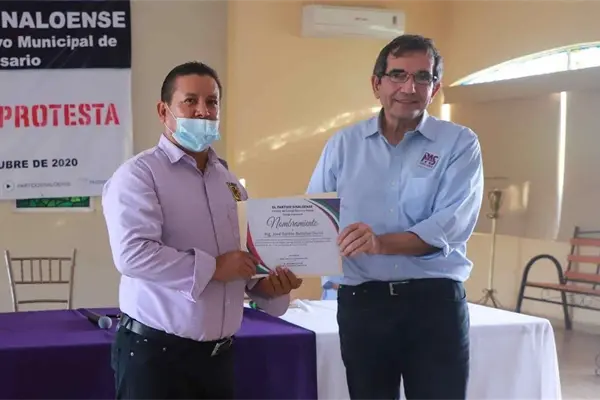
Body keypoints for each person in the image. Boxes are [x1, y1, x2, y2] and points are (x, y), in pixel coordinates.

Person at [102, 61, 302, 400]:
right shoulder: (139, 175)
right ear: (163, 111)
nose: (203, 111)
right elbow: (133, 255)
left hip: (217, 359)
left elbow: (244, 262)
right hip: (157, 360)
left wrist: (268, 286)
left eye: (212, 102)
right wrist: (214, 267)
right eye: (190, 101)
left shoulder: (229, 181)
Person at [307, 35, 484, 400]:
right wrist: (284, 260)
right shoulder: (343, 145)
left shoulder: (459, 143)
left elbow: (451, 224)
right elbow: (315, 219)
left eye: (422, 77)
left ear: (435, 88)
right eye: (398, 75)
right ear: (377, 84)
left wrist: (379, 243)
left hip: (434, 304)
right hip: (363, 304)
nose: (409, 87)